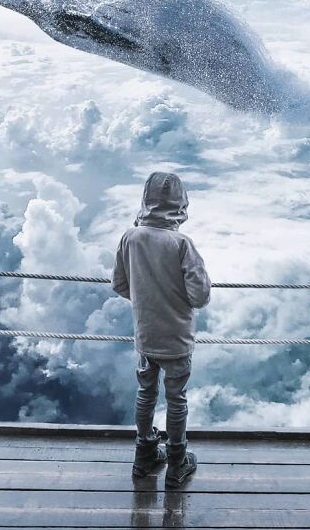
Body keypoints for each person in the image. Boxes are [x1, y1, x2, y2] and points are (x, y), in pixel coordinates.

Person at [111, 171, 211, 488]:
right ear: (180, 204)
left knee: (146, 394)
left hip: (146, 334)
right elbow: (200, 296)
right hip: (177, 338)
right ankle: (177, 462)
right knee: (176, 399)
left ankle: (144, 456)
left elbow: (119, 285)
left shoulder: (130, 237)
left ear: (146, 200)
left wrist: (148, 298)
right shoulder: (181, 244)